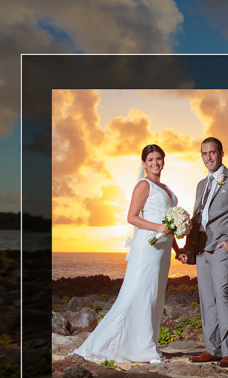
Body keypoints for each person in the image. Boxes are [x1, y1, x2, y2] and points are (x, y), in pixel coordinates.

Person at [73, 144, 181, 364]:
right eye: (150, 159)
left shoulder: (167, 188)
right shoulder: (144, 185)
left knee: (155, 298)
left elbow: (170, 223)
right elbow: (132, 217)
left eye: (159, 158)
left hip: (163, 251)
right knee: (141, 295)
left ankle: (148, 343)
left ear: (164, 160)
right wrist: (158, 228)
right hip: (147, 249)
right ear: (143, 163)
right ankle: (145, 350)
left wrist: (177, 249)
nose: (155, 163)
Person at [179, 137, 228, 368]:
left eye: (212, 153)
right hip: (201, 251)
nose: (208, 157)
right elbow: (198, 219)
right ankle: (213, 349)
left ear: (221, 153)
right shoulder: (201, 185)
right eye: (204, 153)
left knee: (222, 297)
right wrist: (188, 249)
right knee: (206, 301)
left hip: (222, 250)